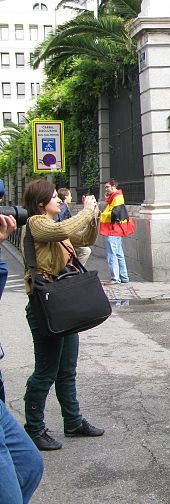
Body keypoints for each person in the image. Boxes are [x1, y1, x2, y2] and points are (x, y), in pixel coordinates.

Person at [21, 179, 105, 451]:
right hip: (45, 307)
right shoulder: (37, 224)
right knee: (46, 371)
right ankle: (34, 428)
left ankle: (73, 421)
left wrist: (92, 217)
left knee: (67, 370)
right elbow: (65, 229)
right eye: (55, 197)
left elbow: (84, 238)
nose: (59, 200)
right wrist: (84, 211)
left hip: (61, 303)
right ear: (40, 203)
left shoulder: (55, 228)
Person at [0, 213, 45, 504]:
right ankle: (38, 424)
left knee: (29, 467)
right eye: (54, 197)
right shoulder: (43, 224)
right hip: (49, 306)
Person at [99, 179, 135, 285]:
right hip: (115, 230)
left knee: (112, 254)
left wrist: (100, 215)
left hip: (112, 230)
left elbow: (115, 214)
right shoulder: (115, 197)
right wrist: (107, 200)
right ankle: (124, 277)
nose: (105, 189)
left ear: (113, 186)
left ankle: (115, 278)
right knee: (119, 254)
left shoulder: (117, 197)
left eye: (107, 187)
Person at [56, 188, 91, 266]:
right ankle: (76, 270)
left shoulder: (64, 206)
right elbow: (60, 222)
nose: (71, 197)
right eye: (70, 195)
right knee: (86, 251)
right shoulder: (63, 207)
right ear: (65, 197)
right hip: (65, 238)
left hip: (66, 237)